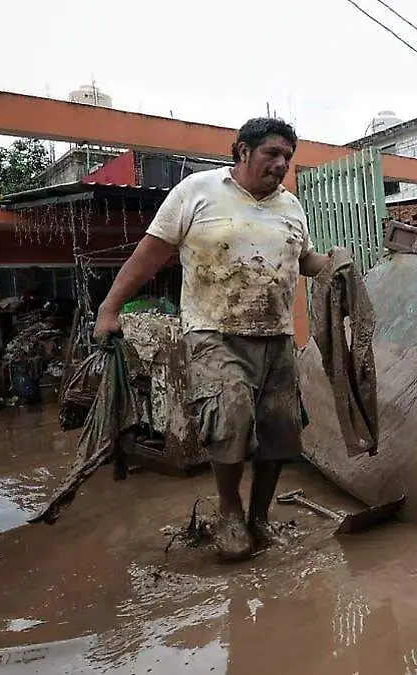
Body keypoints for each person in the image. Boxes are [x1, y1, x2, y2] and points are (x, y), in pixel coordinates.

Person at [92, 118, 332, 561]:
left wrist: (333, 264)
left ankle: (260, 517)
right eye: (272, 153)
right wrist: (109, 310)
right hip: (213, 330)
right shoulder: (197, 191)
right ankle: (230, 511)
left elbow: (304, 260)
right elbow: (150, 254)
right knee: (230, 416)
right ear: (242, 151)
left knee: (281, 430)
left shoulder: (291, 206)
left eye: (287, 157)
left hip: (276, 335)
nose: (281, 164)